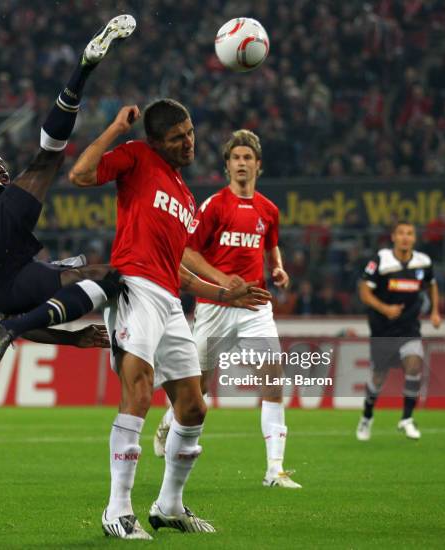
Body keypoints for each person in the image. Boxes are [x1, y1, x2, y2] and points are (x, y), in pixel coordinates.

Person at [70, 102, 271, 538]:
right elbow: (80, 174)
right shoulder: (138, 157)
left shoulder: (184, 195)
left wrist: (222, 294)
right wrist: (114, 130)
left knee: (193, 406)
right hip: (134, 288)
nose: (190, 141)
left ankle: (168, 506)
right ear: (157, 140)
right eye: (179, 135)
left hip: (168, 300)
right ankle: (117, 511)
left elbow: (176, 263)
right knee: (139, 392)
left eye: (191, 131)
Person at [0, 15, 137, 371]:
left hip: (3, 283)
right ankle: (84, 68)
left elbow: (29, 323)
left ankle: (3, 332)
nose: (3, 171)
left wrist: (72, 339)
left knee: (108, 278)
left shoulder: (2, 228)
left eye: (3, 167)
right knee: (48, 159)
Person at [153, 129, 301, 489]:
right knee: (196, 388)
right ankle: (169, 420)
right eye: (235, 158)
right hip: (214, 305)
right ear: (227, 165)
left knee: (272, 376)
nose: (241, 163)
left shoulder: (269, 209)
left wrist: (278, 267)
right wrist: (223, 282)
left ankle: (275, 470)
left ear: (258, 165)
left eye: (247, 158)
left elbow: (271, 245)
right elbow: (187, 252)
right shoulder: (214, 206)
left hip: (254, 304)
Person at [357, 221, 442, 441]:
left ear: (414, 238)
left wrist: (435, 311)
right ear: (393, 237)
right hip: (382, 329)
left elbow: (432, 284)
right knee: (378, 378)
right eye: (401, 233)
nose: (406, 237)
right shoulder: (381, 260)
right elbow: (364, 291)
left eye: (410, 233)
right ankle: (366, 417)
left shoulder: (423, 262)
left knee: (414, 364)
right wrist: (385, 308)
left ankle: (406, 419)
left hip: (409, 327)